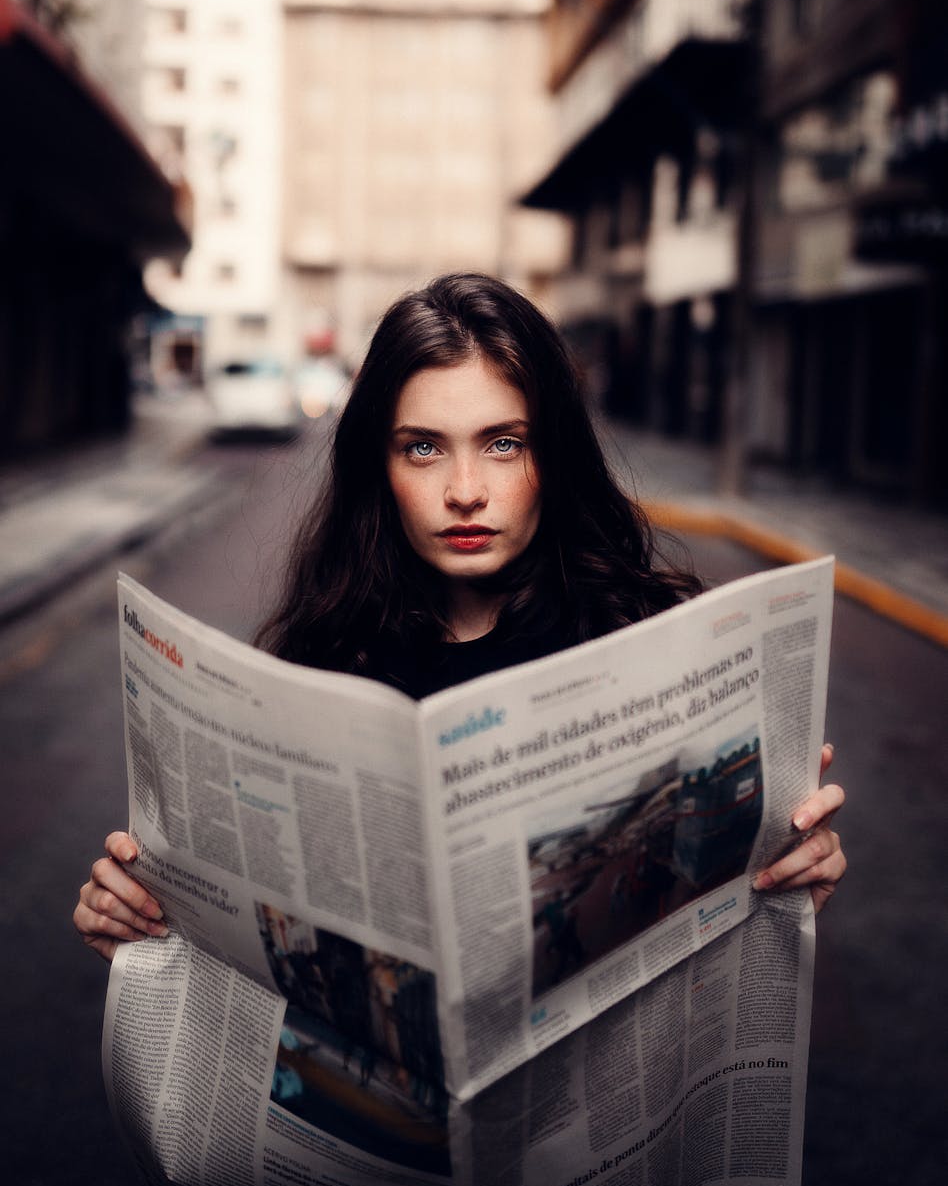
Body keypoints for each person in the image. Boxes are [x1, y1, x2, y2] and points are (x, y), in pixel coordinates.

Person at [74, 271, 845, 956]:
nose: (465, 490)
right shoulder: (321, 660)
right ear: (380, 467)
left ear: (554, 457)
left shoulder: (653, 642)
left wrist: (786, 883)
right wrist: (147, 923)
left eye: (503, 443)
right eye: (423, 449)